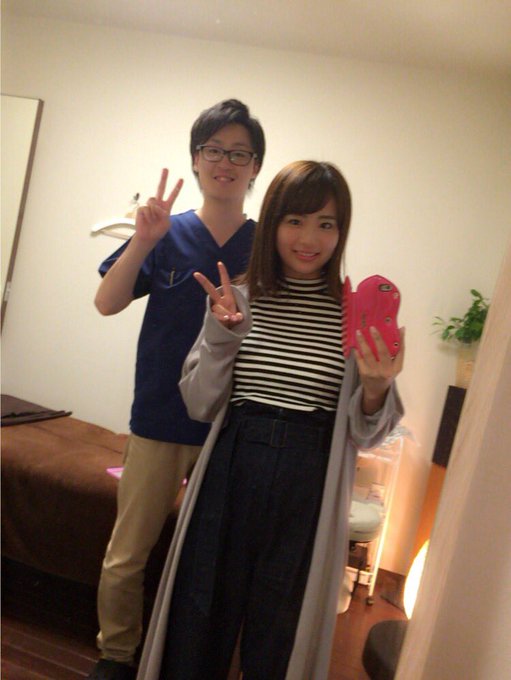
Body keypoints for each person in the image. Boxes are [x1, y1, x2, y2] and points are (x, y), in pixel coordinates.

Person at [136, 160, 405, 680]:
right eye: (295, 220)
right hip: (232, 466)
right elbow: (199, 404)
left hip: (309, 480)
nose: (309, 239)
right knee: (199, 615)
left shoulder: (351, 315)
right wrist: (221, 339)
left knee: (280, 631)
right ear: (273, 223)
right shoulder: (235, 299)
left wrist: (376, 389)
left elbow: (368, 432)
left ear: (341, 232)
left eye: (326, 224)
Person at [88, 99, 266, 680]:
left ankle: (185, 658)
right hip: (159, 418)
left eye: (238, 153)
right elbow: (106, 303)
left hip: (229, 428)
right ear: (195, 159)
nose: (225, 163)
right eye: (214, 150)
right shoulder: (167, 232)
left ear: (255, 167)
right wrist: (143, 241)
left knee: (208, 561)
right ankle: (117, 656)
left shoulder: (266, 247)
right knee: (126, 555)